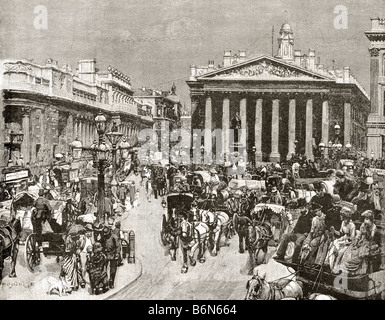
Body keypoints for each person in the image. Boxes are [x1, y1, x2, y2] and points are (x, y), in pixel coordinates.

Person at [328, 207, 356, 272]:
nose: (340, 216)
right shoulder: (343, 222)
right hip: (343, 239)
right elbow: (341, 233)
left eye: (341, 215)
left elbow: (352, 238)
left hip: (349, 243)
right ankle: (330, 266)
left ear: (345, 216)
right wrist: (334, 231)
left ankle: (336, 268)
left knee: (340, 252)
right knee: (333, 246)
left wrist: (344, 242)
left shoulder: (352, 225)